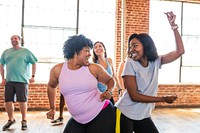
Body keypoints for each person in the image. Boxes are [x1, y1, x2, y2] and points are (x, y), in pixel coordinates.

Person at [115, 11, 185, 133]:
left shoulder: (156, 61)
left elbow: (180, 51)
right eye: (130, 46)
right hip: (124, 113)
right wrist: (162, 99)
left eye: (135, 45)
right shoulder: (130, 63)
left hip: (143, 115)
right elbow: (134, 96)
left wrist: (174, 27)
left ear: (146, 46)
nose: (132, 49)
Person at [46, 34, 116, 133]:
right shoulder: (58, 70)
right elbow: (51, 86)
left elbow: (110, 80)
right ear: (75, 52)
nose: (90, 54)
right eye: (87, 51)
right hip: (78, 119)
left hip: (101, 113)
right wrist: (52, 108)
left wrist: (109, 91)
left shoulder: (93, 68)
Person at [0, 35, 38, 131]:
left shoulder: (25, 52)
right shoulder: (6, 52)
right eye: (11, 39)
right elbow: (1, 65)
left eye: (15, 38)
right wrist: (3, 78)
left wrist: (33, 76)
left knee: (22, 101)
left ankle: (24, 120)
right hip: (9, 81)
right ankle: (10, 119)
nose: (13, 40)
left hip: (22, 81)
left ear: (20, 40)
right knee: (8, 102)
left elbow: (34, 63)